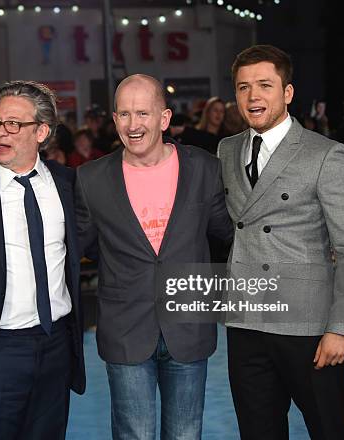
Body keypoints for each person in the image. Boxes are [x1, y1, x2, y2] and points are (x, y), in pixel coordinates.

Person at [218, 44, 344, 440]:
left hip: (308, 327)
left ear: (287, 93)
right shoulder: (227, 149)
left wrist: (341, 327)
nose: (253, 97)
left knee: (329, 428)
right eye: (243, 87)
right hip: (245, 321)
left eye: (265, 85)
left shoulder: (327, 155)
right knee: (258, 431)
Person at [76, 74, 233, 439]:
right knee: (136, 434)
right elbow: (83, 246)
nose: (134, 125)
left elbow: (227, 234)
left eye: (143, 113)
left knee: (185, 434)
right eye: (125, 114)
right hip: (125, 328)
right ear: (114, 120)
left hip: (189, 328)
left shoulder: (204, 169)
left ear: (163, 119)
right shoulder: (91, 179)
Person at [0, 80, 85, 440]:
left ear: (41, 131)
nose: (0, 132)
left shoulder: (68, 184)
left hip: (56, 343)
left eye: (13, 124)